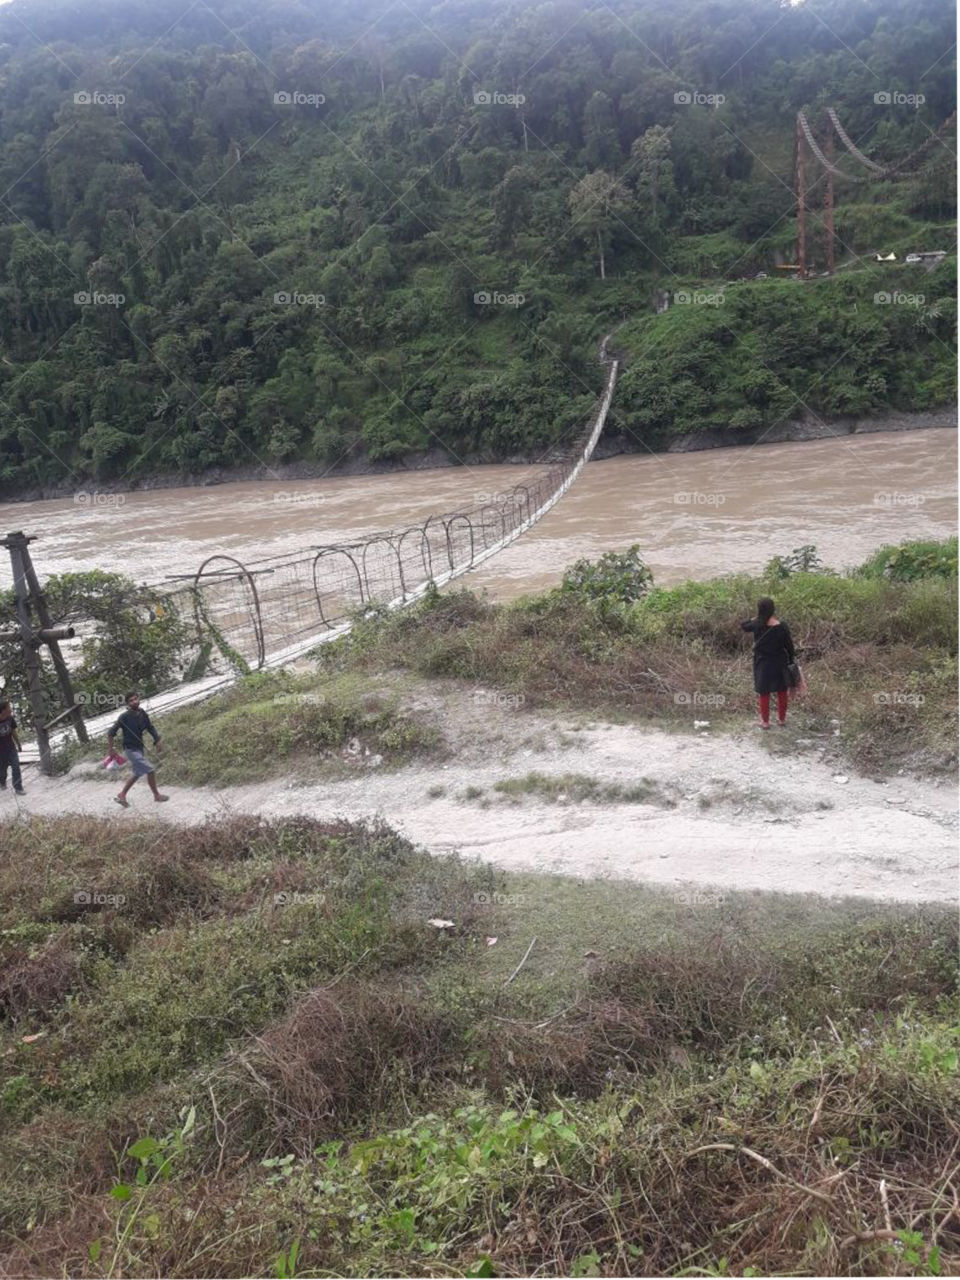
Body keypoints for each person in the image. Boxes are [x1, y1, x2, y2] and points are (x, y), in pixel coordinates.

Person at [740, 597, 796, 729]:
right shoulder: (782, 626)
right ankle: (781, 720)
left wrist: (756, 617)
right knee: (782, 691)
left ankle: (765, 722)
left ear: (759, 610)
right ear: (773, 609)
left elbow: (743, 625)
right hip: (780, 662)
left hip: (762, 663)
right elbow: (790, 647)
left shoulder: (756, 624)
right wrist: (791, 661)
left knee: (764, 692)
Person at [108, 691, 168, 806]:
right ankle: (156, 795)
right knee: (150, 770)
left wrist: (157, 740)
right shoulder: (124, 717)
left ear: (139, 699)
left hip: (139, 748)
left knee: (138, 773)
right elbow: (111, 733)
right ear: (127, 704)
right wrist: (111, 749)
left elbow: (150, 727)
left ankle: (122, 794)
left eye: (136, 699)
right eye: (131, 701)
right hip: (130, 750)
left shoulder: (142, 713)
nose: (134, 702)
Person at [0, 700, 25, 794]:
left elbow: (14, 732)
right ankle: (2, 782)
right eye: (8, 707)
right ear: (3, 710)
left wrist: (18, 744)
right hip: (1, 751)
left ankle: (18, 787)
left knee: (16, 767)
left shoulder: (10, 719)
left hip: (11, 748)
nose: (10, 709)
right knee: (2, 769)